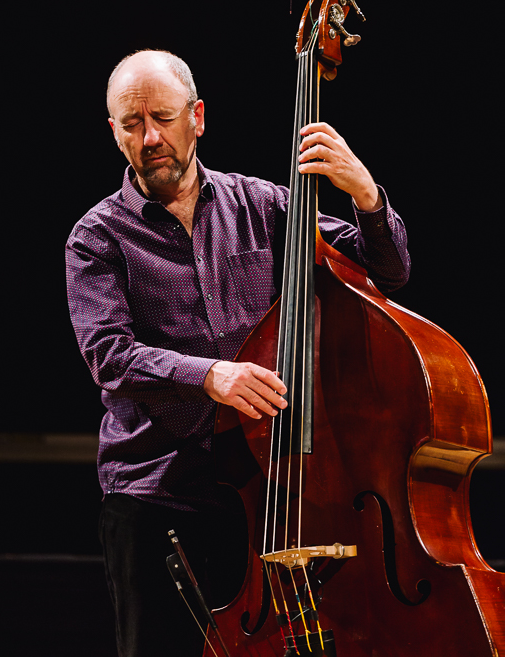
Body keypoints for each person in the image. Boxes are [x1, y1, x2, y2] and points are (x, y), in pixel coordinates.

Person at [65, 49, 410, 656]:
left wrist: (366, 196)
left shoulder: (264, 206)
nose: (151, 138)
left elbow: (388, 272)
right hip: (157, 497)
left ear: (197, 117)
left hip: (264, 494)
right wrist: (210, 375)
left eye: (163, 118)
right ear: (114, 130)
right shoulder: (97, 237)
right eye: (133, 124)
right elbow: (108, 354)